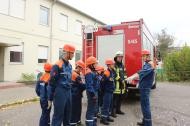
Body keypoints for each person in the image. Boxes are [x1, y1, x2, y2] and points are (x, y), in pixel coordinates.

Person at [47, 44, 75, 126]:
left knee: (68, 115)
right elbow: (51, 83)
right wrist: (50, 98)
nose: (73, 55)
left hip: (68, 92)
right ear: (67, 53)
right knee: (58, 116)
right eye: (72, 53)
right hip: (60, 93)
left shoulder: (70, 66)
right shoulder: (57, 65)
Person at [126, 49, 155, 126]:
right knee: (143, 105)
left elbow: (141, 73)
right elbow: (143, 74)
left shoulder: (149, 64)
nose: (142, 58)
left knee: (145, 106)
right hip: (143, 87)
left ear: (147, 56)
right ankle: (145, 121)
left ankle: (148, 123)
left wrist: (132, 77)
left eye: (143, 56)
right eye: (142, 56)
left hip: (145, 88)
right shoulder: (147, 64)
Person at [70, 60, 86, 126]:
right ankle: (73, 123)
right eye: (81, 68)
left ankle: (78, 122)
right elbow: (82, 86)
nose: (81, 70)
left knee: (78, 109)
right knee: (74, 110)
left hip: (76, 94)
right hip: (75, 95)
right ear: (78, 67)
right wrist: (86, 85)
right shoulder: (76, 75)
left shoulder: (75, 73)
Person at [100, 59, 115, 125]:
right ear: (109, 65)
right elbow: (102, 83)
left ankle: (107, 117)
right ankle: (103, 119)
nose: (113, 65)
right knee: (105, 106)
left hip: (111, 91)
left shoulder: (111, 72)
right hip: (107, 92)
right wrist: (103, 91)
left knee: (109, 105)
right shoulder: (106, 73)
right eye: (112, 64)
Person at [112, 51, 126, 117]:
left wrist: (125, 80)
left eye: (121, 57)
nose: (120, 58)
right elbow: (115, 75)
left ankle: (118, 110)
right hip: (116, 85)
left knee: (120, 98)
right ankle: (113, 112)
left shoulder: (122, 65)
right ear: (116, 57)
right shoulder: (114, 65)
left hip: (122, 84)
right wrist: (120, 80)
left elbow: (124, 73)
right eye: (119, 57)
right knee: (115, 99)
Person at [85, 56, 99, 126]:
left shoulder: (93, 71)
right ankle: (89, 123)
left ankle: (93, 123)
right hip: (92, 93)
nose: (96, 65)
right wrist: (93, 95)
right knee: (91, 109)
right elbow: (89, 86)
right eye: (95, 63)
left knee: (94, 109)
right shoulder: (89, 72)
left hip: (94, 92)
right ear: (91, 64)